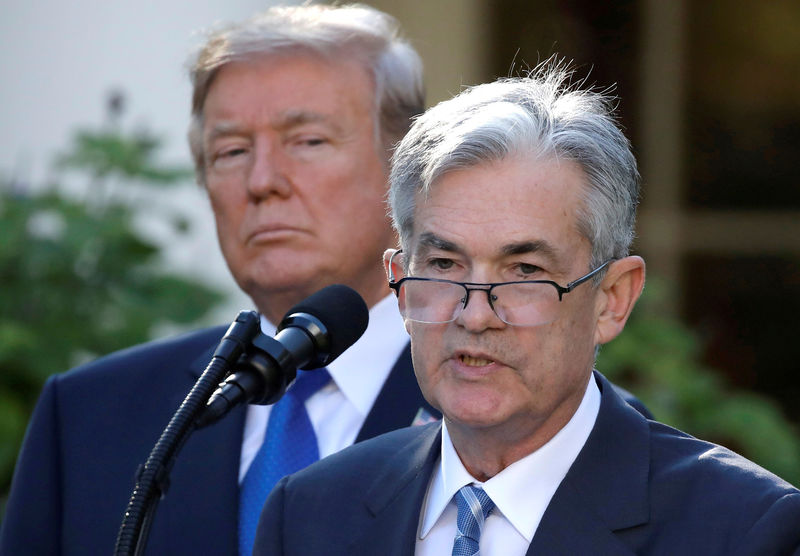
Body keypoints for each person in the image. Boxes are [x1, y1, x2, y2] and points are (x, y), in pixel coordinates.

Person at [0, 6, 648, 555]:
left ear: (407, 168)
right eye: (230, 151)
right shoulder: (91, 417)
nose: (262, 181)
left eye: (306, 141)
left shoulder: (532, 412)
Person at [252, 64, 800, 555]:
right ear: (399, 283)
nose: (474, 315)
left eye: (525, 272)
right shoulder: (310, 512)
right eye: (444, 265)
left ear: (613, 299)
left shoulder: (742, 529)